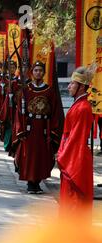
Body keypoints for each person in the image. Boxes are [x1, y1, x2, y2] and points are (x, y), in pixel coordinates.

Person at [13, 61, 64, 194]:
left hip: (43, 128)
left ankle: (37, 182)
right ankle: (30, 182)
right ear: (32, 72)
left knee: (42, 155)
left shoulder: (49, 90)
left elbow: (54, 112)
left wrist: (53, 130)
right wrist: (21, 129)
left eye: (40, 70)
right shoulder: (26, 90)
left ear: (44, 73)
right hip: (29, 128)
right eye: (35, 70)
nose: (38, 73)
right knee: (29, 155)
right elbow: (19, 110)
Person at [57, 66, 95, 218]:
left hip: (75, 159)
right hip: (72, 155)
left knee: (75, 200)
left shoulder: (83, 108)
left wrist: (62, 156)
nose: (69, 86)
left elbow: (76, 138)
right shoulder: (79, 105)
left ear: (81, 86)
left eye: (72, 83)